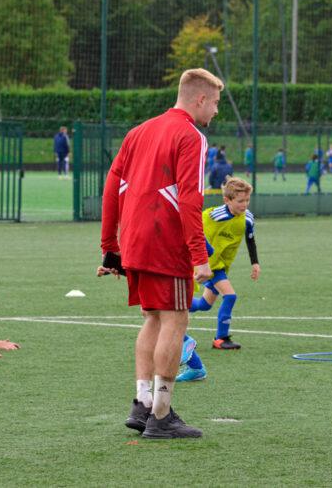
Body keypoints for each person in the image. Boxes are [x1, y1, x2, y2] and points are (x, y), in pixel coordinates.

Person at [98, 68, 223, 439]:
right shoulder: (191, 136)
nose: (216, 111)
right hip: (166, 243)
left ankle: (142, 404)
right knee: (175, 320)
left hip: (135, 240)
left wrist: (110, 248)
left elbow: (111, 188)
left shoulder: (138, 131)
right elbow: (189, 198)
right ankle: (162, 414)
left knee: (153, 318)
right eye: (215, 103)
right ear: (200, 98)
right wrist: (199, 255)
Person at [177, 177, 261, 382]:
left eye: (247, 200)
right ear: (227, 200)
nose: (244, 205)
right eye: (240, 201)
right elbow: (193, 226)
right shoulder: (214, 215)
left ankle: (181, 308)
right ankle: (220, 338)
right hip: (209, 266)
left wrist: (255, 263)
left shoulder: (248, 218)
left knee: (205, 305)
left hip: (222, 265)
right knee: (230, 296)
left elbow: (250, 239)